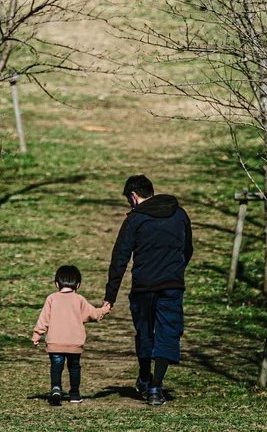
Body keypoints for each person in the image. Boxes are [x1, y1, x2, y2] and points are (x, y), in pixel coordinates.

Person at [103, 174, 193, 406]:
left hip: (143, 286)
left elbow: (119, 259)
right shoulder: (180, 214)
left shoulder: (135, 220)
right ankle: (156, 387)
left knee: (145, 332)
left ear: (133, 196)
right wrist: (175, 269)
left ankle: (144, 378)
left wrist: (109, 297)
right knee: (167, 332)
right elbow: (188, 249)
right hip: (172, 284)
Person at [32, 264, 109, 406]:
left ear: (56, 284)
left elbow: (44, 318)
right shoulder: (79, 299)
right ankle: (74, 393)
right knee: (74, 368)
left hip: (55, 343)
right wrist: (104, 310)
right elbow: (93, 314)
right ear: (78, 285)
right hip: (74, 343)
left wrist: (37, 335)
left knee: (56, 367)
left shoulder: (51, 299)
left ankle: (56, 389)